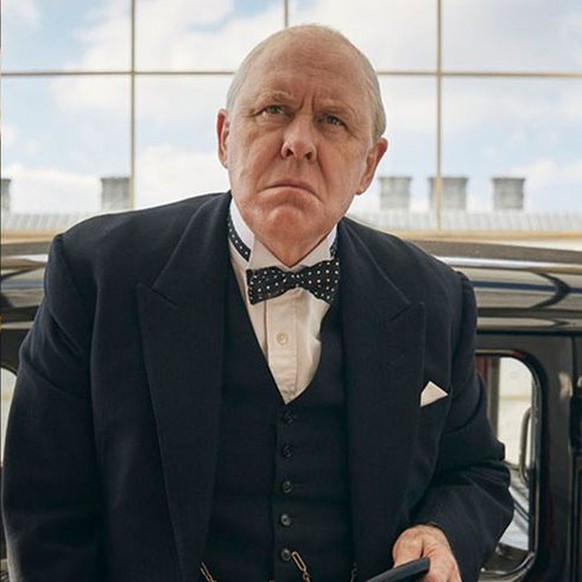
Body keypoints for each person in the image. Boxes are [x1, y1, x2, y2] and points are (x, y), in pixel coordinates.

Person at [2, 24, 513, 582]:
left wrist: (441, 531)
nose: (299, 142)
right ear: (225, 138)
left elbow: (477, 472)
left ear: (369, 165)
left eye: (333, 121)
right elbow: (45, 504)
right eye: (274, 110)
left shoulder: (436, 298)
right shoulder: (97, 273)